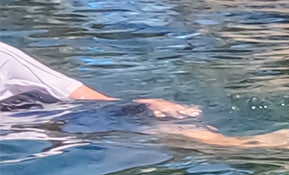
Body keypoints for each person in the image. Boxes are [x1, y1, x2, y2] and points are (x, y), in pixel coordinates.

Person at [0, 40, 289, 166]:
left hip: (80, 123)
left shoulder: (3, 57)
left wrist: (139, 104)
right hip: (63, 133)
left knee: (227, 146)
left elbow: (78, 94)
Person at [2, 40, 200, 119]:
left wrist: (140, 109)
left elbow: (86, 98)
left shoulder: (5, 58)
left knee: (151, 122)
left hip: (35, 130)